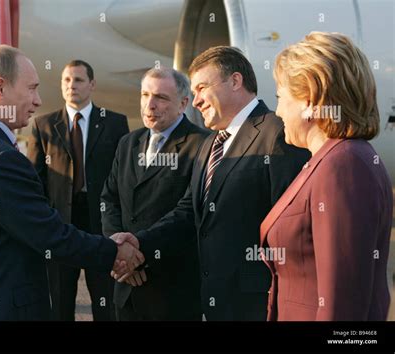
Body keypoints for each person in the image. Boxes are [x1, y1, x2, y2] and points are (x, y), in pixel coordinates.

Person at [0, 45, 142, 321]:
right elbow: (50, 235)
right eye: (31, 88)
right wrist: (114, 251)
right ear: (0, 88)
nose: (38, 100)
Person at [113, 46, 310, 320]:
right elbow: (186, 213)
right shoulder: (210, 144)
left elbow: (295, 231)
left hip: (257, 305)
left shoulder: (278, 133)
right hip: (212, 302)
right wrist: (139, 242)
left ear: (235, 81)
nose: (195, 102)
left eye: (202, 88)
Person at [259, 31, 393, 321]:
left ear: (309, 99)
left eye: (281, 97)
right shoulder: (330, 160)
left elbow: (342, 304)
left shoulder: (343, 166)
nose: (278, 111)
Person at [101, 67, 209, 320]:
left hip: (172, 291)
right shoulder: (128, 143)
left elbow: (188, 211)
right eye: (145, 95)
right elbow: (109, 199)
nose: (150, 105)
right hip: (126, 287)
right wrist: (119, 252)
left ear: (184, 103)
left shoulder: (202, 144)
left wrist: (140, 256)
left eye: (160, 98)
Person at [27, 60, 129, 321]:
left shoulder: (115, 124)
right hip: (60, 225)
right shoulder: (44, 125)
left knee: (106, 302)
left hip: (101, 224)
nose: (71, 85)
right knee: (59, 302)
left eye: (79, 80)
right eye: (66, 80)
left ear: (92, 85)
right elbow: (36, 182)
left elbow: (122, 178)